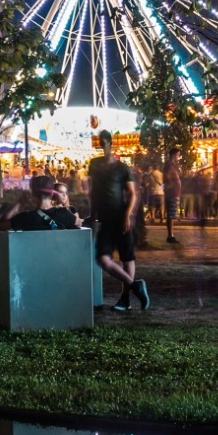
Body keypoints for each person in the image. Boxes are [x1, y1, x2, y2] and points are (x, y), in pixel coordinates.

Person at [89, 130, 149, 312]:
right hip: (106, 220)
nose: (103, 146)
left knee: (127, 257)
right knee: (102, 259)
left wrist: (127, 215)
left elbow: (132, 194)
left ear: (110, 144)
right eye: (100, 142)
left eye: (105, 143)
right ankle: (135, 286)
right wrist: (93, 215)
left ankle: (126, 298)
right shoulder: (94, 165)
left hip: (120, 217)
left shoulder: (122, 168)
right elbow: (94, 191)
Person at [0, 175, 82, 230]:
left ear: (33, 194)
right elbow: (79, 224)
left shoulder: (25, 218)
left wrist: (20, 202)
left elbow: (0, 225)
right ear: (52, 193)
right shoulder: (64, 214)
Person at [163, 149, 182, 243]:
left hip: (174, 192)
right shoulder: (169, 165)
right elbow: (166, 176)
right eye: (178, 155)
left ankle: (171, 235)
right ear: (174, 155)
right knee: (171, 214)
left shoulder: (172, 165)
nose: (178, 157)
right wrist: (172, 183)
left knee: (172, 214)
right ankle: (170, 235)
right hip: (172, 193)